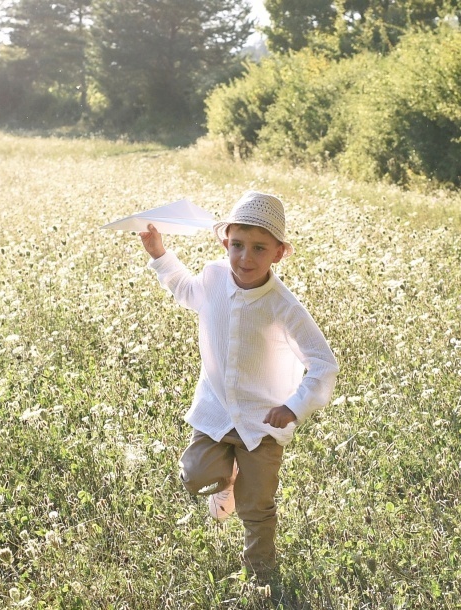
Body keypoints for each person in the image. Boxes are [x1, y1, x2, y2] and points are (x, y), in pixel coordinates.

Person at [137, 191, 338, 583]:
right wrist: (159, 254)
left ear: (279, 253)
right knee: (195, 476)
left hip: (262, 423)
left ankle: (260, 573)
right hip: (215, 410)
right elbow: (185, 291)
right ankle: (225, 482)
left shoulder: (284, 306)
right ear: (224, 242)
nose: (245, 258)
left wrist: (294, 407)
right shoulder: (212, 277)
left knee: (257, 504)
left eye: (259, 248)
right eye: (237, 245)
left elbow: (323, 363)